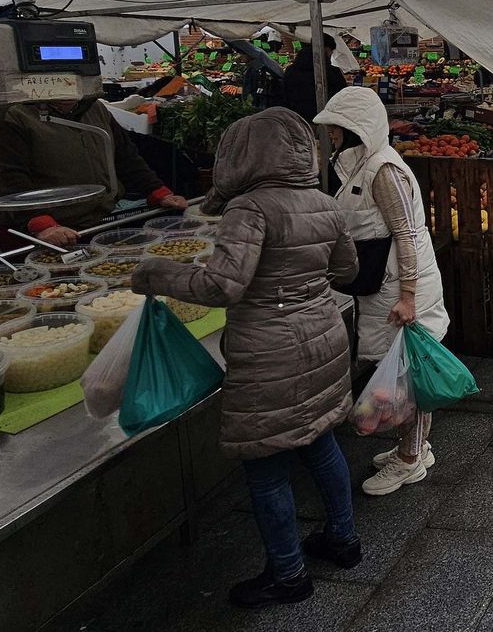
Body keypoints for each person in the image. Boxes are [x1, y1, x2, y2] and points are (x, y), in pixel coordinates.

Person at [132, 108, 362, 610]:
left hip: (269, 350)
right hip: (322, 335)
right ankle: (343, 541)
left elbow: (222, 285)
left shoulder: (250, 208)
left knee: (264, 466)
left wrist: (155, 273)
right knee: (321, 443)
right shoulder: (324, 201)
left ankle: (288, 574)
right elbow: (346, 270)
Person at [312, 87, 450, 496]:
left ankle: (409, 460)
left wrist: (408, 295)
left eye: (337, 128)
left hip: (400, 288)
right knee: (400, 369)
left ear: (357, 128)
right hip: (382, 284)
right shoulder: (360, 166)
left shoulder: (383, 170)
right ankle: (415, 447)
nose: (333, 136)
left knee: (407, 375)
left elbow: (406, 235)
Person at [0, 98, 187, 247]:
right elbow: (9, 180)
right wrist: (41, 224)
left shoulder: (95, 108)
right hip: (37, 234)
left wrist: (158, 192)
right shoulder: (8, 116)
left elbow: (126, 158)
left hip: (96, 223)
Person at [280, 36, 348, 123]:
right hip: (323, 120)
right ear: (326, 49)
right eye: (330, 52)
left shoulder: (290, 70)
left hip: (295, 119)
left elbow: (284, 93)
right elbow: (341, 95)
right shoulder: (330, 71)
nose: (331, 55)